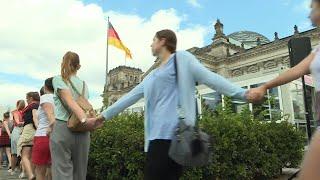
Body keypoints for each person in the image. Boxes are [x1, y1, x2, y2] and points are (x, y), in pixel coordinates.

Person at [93, 29, 255, 180]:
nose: (151, 44)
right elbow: (128, 98)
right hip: (153, 142)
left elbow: (211, 78)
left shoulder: (182, 59)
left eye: (153, 40)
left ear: (163, 41)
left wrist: (243, 93)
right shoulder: (150, 76)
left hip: (176, 138)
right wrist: (103, 116)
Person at [247, 0, 320, 179]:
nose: (309, 13)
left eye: (313, 7)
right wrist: (265, 86)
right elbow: (295, 71)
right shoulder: (317, 50)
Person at [50, 51, 97, 180]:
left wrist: (82, 117)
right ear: (79, 66)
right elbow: (82, 104)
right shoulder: (84, 85)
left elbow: (68, 100)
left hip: (63, 128)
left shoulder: (58, 79)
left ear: (63, 63)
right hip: (82, 130)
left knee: (61, 171)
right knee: (80, 172)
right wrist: (85, 120)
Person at [32, 78, 55, 180]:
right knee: (52, 169)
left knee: (40, 172)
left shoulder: (45, 97)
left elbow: (49, 117)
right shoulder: (61, 98)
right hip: (57, 136)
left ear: (45, 87)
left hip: (43, 135)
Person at [17, 92, 40, 180]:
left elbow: (35, 117)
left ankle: (30, 175)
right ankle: (32, 173)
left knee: (25, 155)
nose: (26, 100)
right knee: (31, 155)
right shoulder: (38, 105)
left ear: (31, 98)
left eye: (27, 98)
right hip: (34, 131)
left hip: (29, 131)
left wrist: (37, 126)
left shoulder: (33, 106)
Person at [10, 100, 25, 176]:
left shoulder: (16, 112)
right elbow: (18, 122)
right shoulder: (17, 112)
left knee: (16, 153)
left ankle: (14, 170)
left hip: (18, 131)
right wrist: (26, 122)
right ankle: (21, 171)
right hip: (18, 131)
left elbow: (18, 122)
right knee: (19, 152)